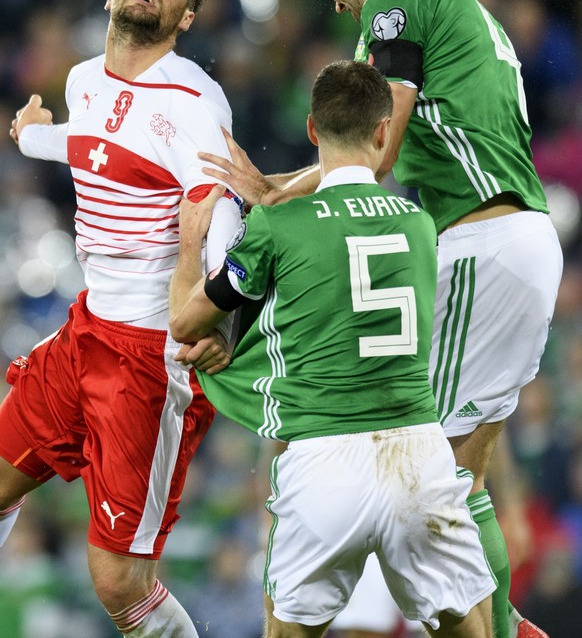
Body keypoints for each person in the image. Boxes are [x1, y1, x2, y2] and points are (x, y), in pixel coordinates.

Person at [197, 0, 563, 638]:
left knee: (425, 457)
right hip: (520, 236)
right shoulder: (453, 3)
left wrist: (274, 194)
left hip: (480, 239)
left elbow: (376, 147)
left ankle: (487, 624)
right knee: (464, 468)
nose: (335, 2)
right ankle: (507, 622)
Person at [169, 60, 496, 638]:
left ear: (313, 131)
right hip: (417, 452)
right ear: (381, 132)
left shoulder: (281, 225)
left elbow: (186, 322)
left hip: (322, 460)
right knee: (466, 627)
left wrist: (191, 242)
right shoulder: (421, 224)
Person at [0, 0, 242, 638]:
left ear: (186, 18)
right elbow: (100, 142)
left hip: (149, 357)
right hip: (85, 330)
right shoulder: (84, 79)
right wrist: (33, 140)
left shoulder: (196, 99)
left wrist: (215, 317)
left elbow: (220, 207)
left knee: (118, 583)